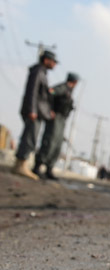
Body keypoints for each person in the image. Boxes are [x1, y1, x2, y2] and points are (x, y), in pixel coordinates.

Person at [12, 50, 57, 180]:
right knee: (29, 138)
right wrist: (32, 110)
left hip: (38, 111)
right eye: (53, 61)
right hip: (34, 111)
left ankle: (20, 164)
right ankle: (20, 165)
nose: (54, 64)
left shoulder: (42, 72)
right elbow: (32, 92)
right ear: (46, 60)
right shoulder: (38, 71)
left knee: (30, 137)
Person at [33, 72, 79, 180]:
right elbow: (49, 93)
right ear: (74, 81)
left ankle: (49, 168)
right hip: (55, 118)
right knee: (50, 142)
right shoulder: (63, 87)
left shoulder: (69, 91)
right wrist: (50, 110)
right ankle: (37, 166)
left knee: (57, 144)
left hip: (62, 120)